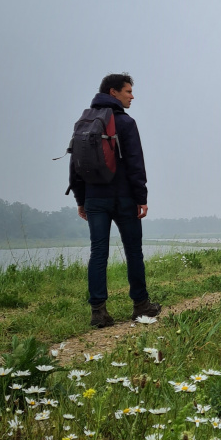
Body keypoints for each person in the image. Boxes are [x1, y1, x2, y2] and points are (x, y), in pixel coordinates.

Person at [69, 73, 162, 328]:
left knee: (98, 253)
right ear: (113, 92)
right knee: (134, 251)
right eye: (128, 91)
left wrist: (81, 199)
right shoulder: (125, 122)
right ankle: (141, 305)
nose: (132, 96)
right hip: (123, 198)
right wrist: (141, 197)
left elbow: (75, 164)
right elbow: (135, 163)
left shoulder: (84, 121)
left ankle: (98, 312)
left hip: (95, 199)